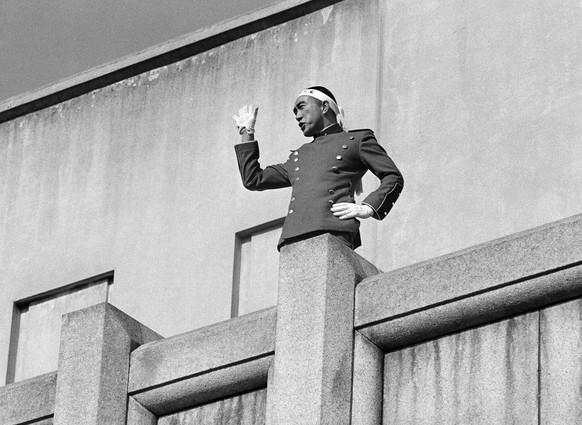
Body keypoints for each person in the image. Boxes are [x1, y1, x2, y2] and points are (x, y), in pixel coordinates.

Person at [233, 86, 403, 251]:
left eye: (301, 107)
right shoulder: (299, 156)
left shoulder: (356, 140)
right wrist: (247, 133)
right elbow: (253, 179)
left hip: (334, 230)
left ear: (324, 107)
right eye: (295, 112)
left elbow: (392, 176)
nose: (298, 116)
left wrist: (368, 207)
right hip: (292, 239)